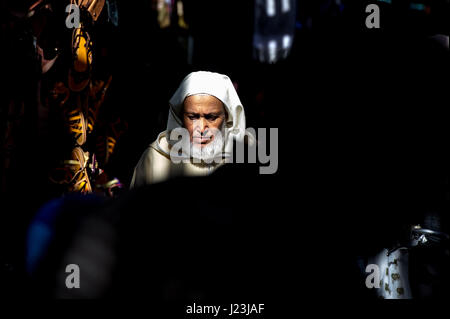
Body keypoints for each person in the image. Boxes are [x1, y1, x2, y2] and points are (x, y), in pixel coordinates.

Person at [130, 71, 251, 187]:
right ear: (180, 117)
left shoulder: (250, 155)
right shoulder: (154, 159)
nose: (202, 128)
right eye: (193, 117)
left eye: (211, 117)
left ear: (227, 117)